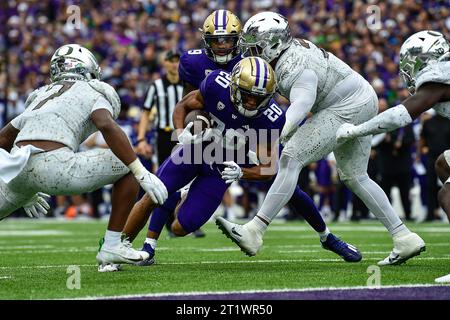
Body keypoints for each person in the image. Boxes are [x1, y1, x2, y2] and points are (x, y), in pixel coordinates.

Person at [216, 12, 425, 266]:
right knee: (356, 176)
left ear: (273, 44)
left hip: (347, 105)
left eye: (256, 48)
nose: (251, 54)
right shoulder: (285, 56)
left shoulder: (293, 65)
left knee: (290, 158)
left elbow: (301, 106)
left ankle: (255, 230)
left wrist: (273, 139)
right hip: (359, 97)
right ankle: (404, 236)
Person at [120, 57, 361, 267]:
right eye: (247, 96)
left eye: (259, 98)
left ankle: (327, 237)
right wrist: (181, 131)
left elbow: (269, 168)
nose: (251, 103)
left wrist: (241, 173)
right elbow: (184, 105)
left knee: (180, 228)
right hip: (195, 150)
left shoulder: (271, 117)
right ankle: (125, 247)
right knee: (154, 194)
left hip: (225, 167)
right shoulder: (216, 83)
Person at [0, 44, 168, 271]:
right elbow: (106, 124)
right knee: (126, 165)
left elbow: (3, 139)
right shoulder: (93, 90)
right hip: (56, 165)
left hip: (18, 166)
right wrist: (140, 171)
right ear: (88, 68)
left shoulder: (41, 94)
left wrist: (20, 185)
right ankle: (111, 245)